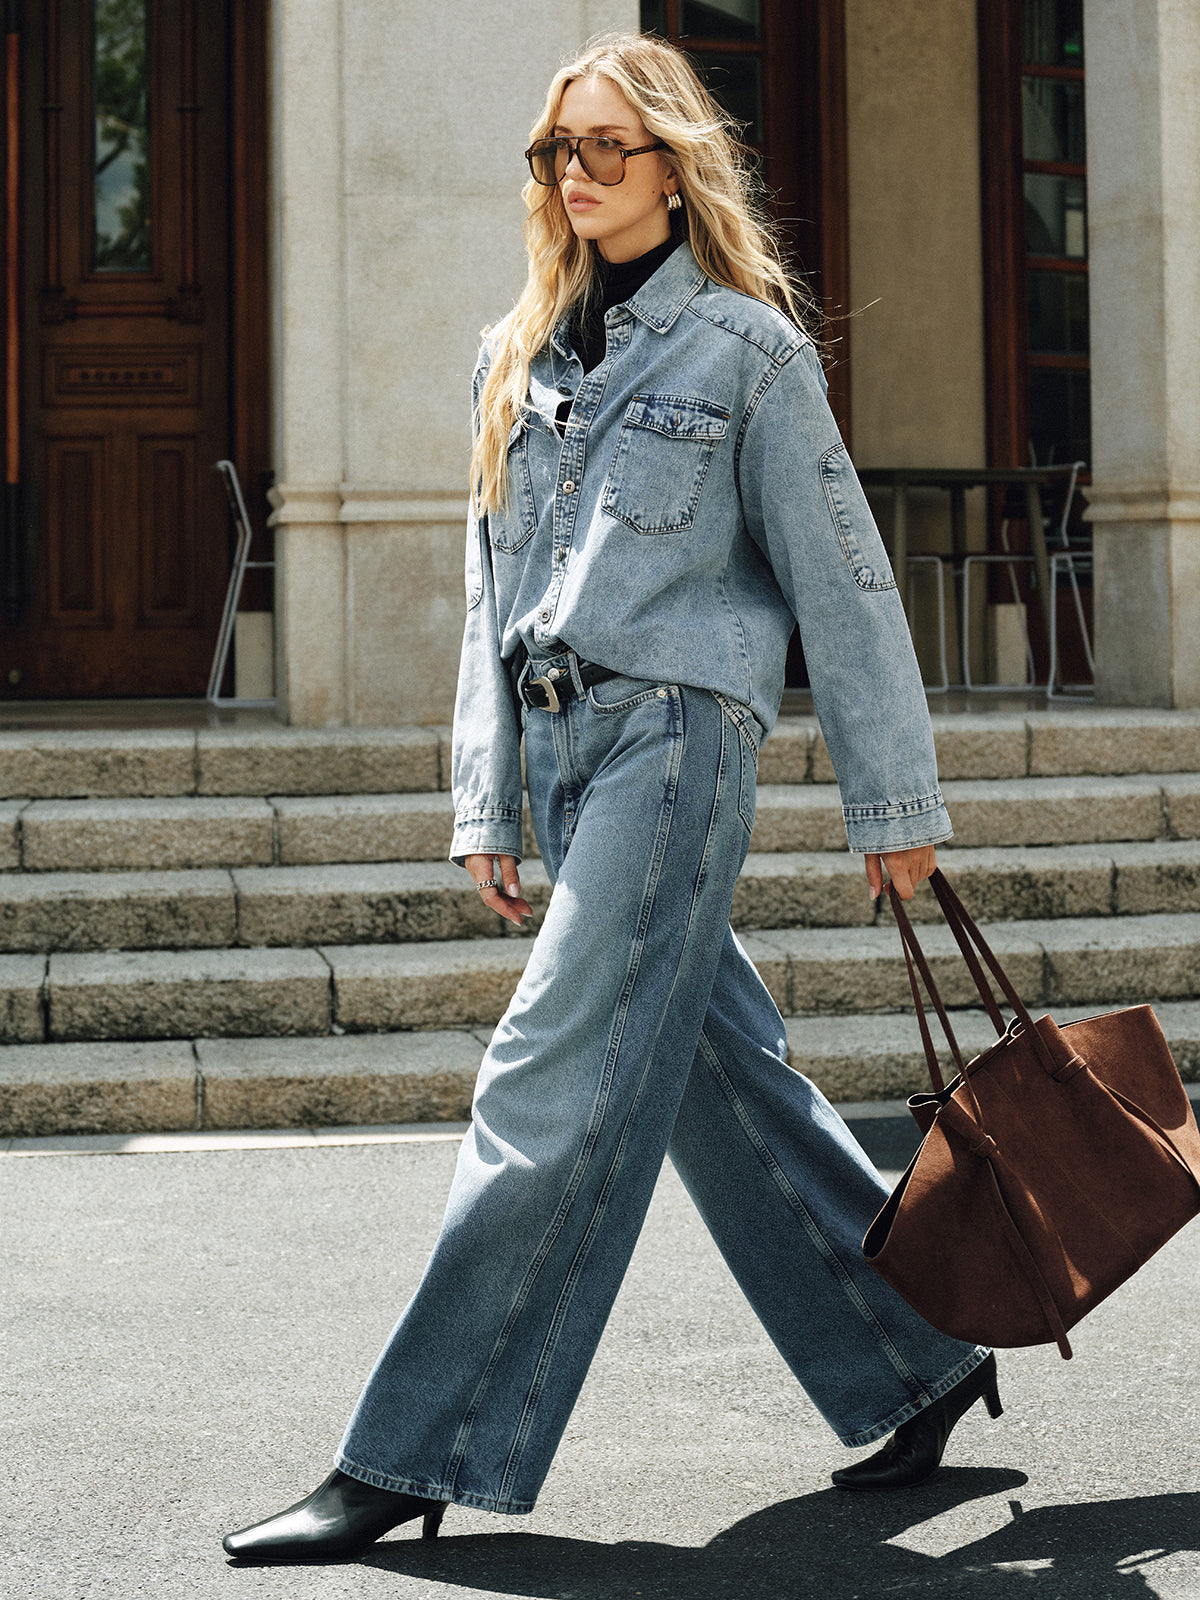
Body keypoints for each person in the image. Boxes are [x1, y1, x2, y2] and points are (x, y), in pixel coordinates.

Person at [222, 32, 1003, 1566]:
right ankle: (915, 1351)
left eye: (603, 146)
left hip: (678, 741)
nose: (573, 172)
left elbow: (844, 583)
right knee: (720, 1080)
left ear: (674, 167)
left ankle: (415, 1447)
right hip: (566, 752)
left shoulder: (747, 353)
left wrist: (893, 802)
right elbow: (489, 591)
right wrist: (487, 796)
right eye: (554, 149)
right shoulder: (512, 357)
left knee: (546, 1072)